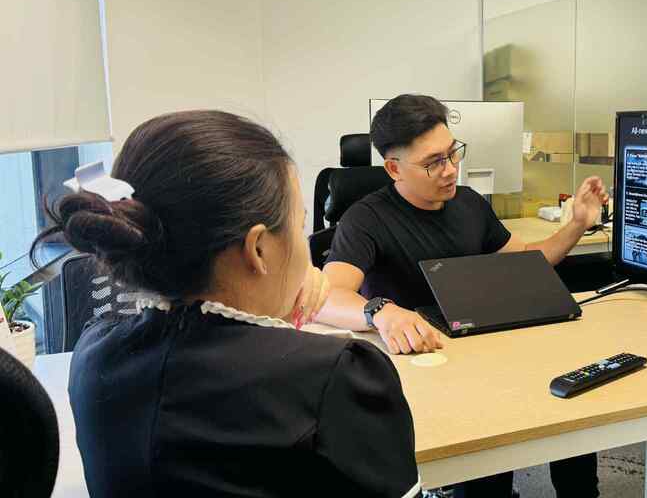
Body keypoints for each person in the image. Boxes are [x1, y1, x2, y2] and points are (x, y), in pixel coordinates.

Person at [34, 111, 421, 497]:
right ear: (258, 248)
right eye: (299, 225)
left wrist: (280, 316)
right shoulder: (337, 377)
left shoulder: (94, 352)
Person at [315, 94, 608, 497]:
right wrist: (380, 310)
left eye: (453, 153)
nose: (451, 169)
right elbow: (326, 296)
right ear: (394, 168)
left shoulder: (468, 203)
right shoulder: (365, 219)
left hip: (483, 353)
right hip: (425, 371)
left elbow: (526, 262)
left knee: (572, 408)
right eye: (433, 162)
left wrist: (576, 224)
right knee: (489, 467)